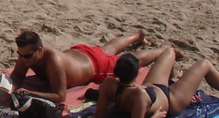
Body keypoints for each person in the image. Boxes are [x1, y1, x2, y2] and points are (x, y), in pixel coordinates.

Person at [10, 30, 163, 105]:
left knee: (130, 61)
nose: (23, 59)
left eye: (27, 56)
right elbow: (17, 76)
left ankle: (163, 51)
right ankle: (137, 35)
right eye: (20, 55)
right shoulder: (27, 53)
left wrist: (30, 93)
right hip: (78, 54)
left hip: (96, 66)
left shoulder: (53, 60)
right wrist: (12, 86)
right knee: (107, 50)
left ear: (40, 50)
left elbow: (60, 96)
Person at [95, 49, 219, 118]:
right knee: (204, 64)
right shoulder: (140, 96)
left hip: (153, 88)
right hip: (171, 100)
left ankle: (174, 78)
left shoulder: (109, 84)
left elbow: (100, 115)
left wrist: (116, 106)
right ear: (137, 73)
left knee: (168, 52)